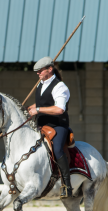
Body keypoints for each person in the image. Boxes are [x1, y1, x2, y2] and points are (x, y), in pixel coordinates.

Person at [28, 56, 73, 198]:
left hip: (57, 125)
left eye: (40, 70)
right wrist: (33, 108)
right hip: (41, 125)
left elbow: (59, 109)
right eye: (37, 71)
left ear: (50, 69)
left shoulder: (60, 86)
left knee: (57, 149)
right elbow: (46, 103)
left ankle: (67, 185)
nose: (38, 73)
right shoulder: (40, 84)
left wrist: (39, 109)